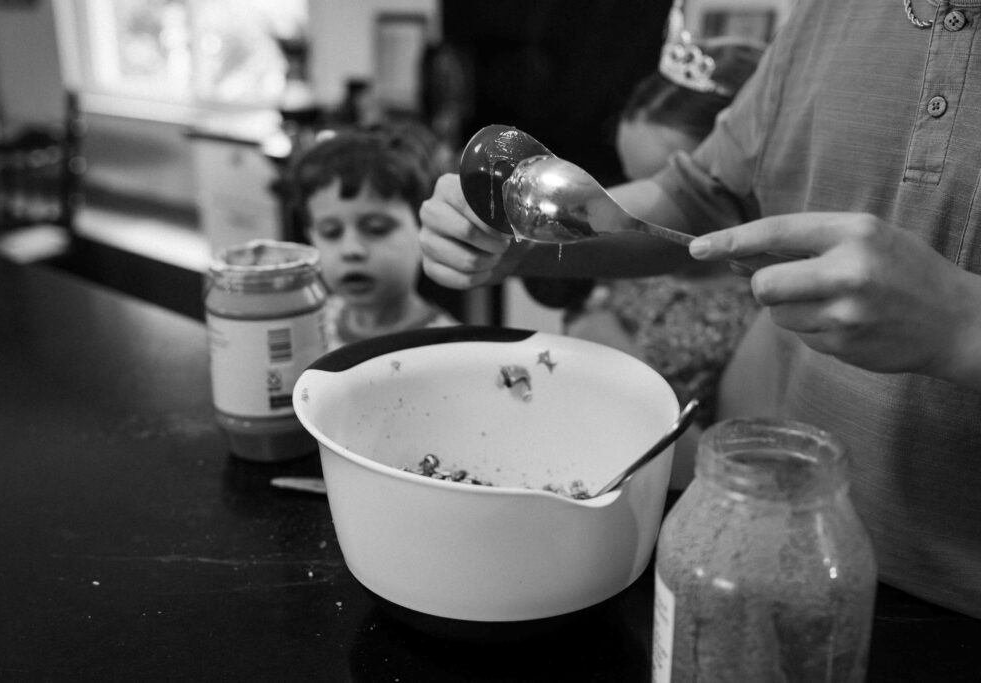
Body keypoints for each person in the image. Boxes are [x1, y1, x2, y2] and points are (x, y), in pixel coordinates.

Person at [417, 0, 981, 619]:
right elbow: (702, 194)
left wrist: (963, 326)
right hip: (793, 552)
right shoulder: (831, 15)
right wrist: (513, 238)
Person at [545, 37, 765, 487]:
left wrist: (601, 344)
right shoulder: (628, 263)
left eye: (664, 189)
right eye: (631, 185)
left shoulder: (766, 305)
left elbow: (739, 482)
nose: (640, 213)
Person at [287, 124, 459, 350]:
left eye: (377, 228)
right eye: (331, 232)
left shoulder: (450, 347)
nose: (351, 249)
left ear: (425, 232)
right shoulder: (311, 327)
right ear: (311, 238)